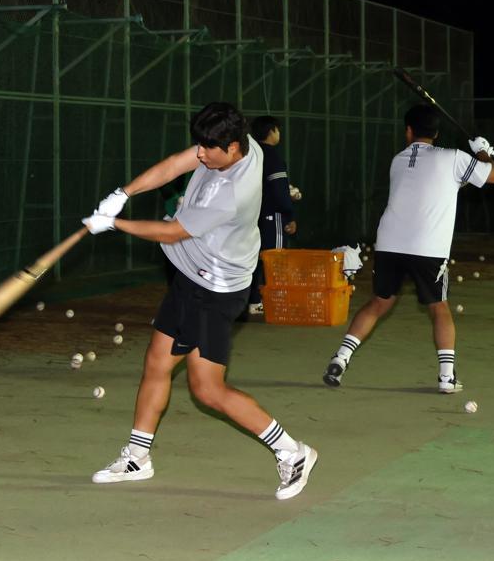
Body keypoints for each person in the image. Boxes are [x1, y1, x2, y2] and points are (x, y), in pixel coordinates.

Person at [84, 102, 318, 500]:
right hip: (191, 278)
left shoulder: (232, 193)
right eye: (200, 146)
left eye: (209, 150)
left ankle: (292, 452)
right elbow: (175, 165)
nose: (201, 155)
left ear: (233, 148)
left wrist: (114, 224)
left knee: (207, 390)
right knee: (157, 362)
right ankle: (138, 456)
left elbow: (173, 232)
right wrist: (121, 194)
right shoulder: (230, 145)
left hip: (216, 289)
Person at [323, 105, 494, 394]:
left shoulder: (398, 161)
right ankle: (446, 378)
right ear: (437, 132)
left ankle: (340, 359)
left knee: (379, 303)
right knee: (438, 307)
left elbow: (441, 185)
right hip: (428, 247)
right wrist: (483, 152)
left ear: (408, 131)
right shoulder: (453, 157)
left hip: (390, 244)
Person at [247, 115, 298, 316]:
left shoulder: (252, 154)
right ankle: (275, 303)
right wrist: (289, 213)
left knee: (254, 260)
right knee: (274, 260)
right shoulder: (272, 157)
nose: (279, 134)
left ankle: (253, 301)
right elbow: (278, 190)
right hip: (272, 215)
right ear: (271, 132)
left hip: (252, 216)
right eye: (278, 130)